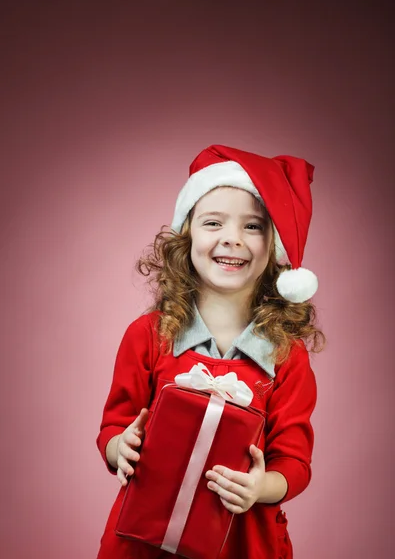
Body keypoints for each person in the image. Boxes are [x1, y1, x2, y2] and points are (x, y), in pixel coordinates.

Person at [96, 144, 325, 559]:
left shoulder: (286, 355)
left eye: (253, 226)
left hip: (245, 541)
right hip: (143, 541)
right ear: (187, 235)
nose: (232, 239)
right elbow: (114, 428)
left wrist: (261, 487)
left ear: (274, 248)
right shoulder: (146, 335)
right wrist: (121, 447)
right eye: (213, 222)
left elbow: (294, 461)